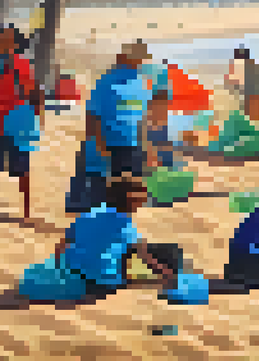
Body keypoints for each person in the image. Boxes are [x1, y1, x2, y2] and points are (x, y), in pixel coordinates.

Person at [55, 176, 180, 300]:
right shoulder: (125, 225)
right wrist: (166, 274)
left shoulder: (87, 214)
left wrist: (59, 270)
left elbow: (63, 243)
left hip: (73, 274)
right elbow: (144, 256)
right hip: (101, 282)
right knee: (162, 251)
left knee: (112, 247)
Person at [0, 28, 40, 217]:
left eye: (3, 40)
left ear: (14, 44)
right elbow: (34, 92)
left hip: (6, 121)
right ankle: (22, 210)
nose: (0, 43)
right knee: (17, 167)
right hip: (17, 122)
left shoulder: (7, 65)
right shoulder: (21, 65)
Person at [85, 42, 153, 177]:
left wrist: (147, 145)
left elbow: (144, 117)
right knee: (120, 190)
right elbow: (92, 117)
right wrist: (100, 146)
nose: (140, 63)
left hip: (132, 144)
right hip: (113, 145)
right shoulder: (108, 81)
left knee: (130, 190)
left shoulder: (140, 82)